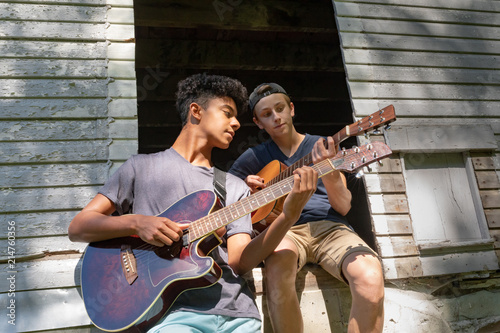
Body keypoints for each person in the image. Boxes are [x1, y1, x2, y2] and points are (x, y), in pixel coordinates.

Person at [68, 74, 318, 333]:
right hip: (170, 315)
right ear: (196, 111)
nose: (236, 123)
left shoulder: (234, 186)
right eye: (227, 113)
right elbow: (78, 227)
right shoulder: (140, 168)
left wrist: (288, 217)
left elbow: (239, 262)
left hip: (238, 314)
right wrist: (137, 222)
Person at [229, 82, 385, 333]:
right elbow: (225, 197)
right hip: (284, 230)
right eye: (267, 114)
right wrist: (244, 187)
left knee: (370, 274)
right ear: (258, 123)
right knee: (277, 274)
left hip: (330, 227)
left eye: (280, 108)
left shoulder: (322, 146)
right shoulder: (253, 158)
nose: (276, 117)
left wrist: (330, 169)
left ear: (292, 109)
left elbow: (343, 207)